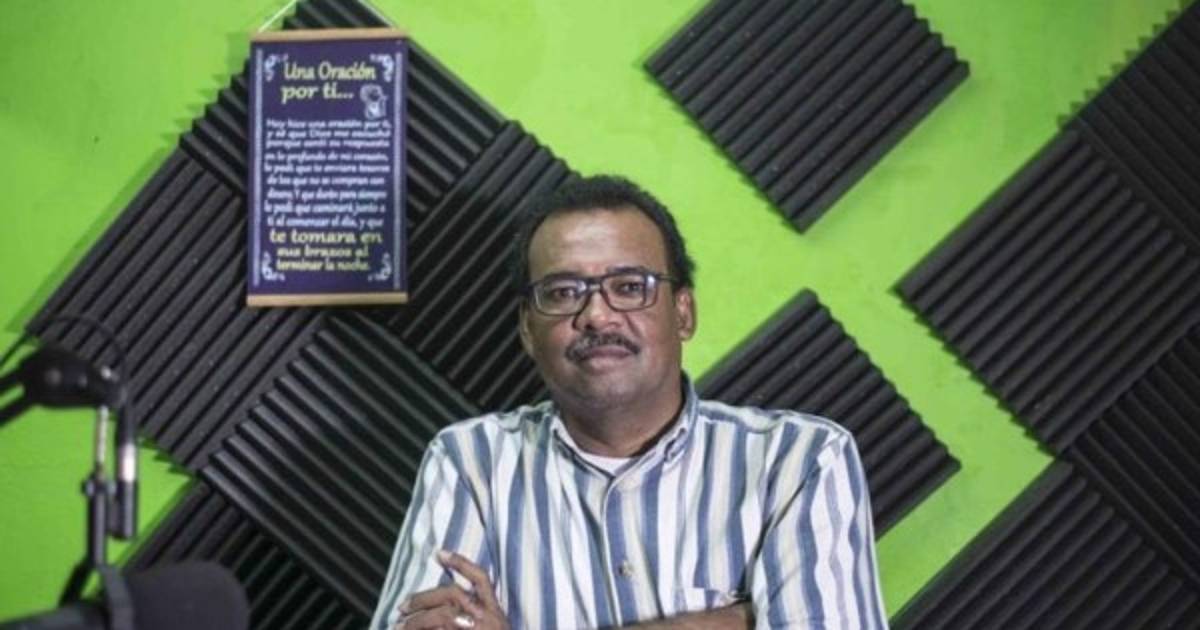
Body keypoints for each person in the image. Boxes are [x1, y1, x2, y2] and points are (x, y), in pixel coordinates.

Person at [370, 175, 887, 629]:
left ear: (683, 313)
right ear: (527, 328)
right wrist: (733, 620)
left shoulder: (798, 459)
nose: (597, 315)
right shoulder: (470, 463)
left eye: (629, 286)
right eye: (563, 292)